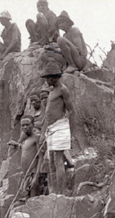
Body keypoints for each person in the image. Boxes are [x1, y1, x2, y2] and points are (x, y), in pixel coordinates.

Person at [41, 63, 76, 195]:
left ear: (54, 77)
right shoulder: (52, 91)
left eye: (48, 78)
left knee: (58, 159)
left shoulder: (63, 90)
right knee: (51, 161)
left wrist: (71, 133)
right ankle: (54, 191)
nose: (47, 81)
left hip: (60, 126)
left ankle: (61, 192)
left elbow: (72, 111)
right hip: (51, 128)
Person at [8, 116, 44, 199]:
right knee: (27, 199)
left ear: (32, 125)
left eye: (27, 125)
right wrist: (16, 144)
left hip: (33, 173)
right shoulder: (25, 139)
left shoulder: (36, 138)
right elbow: (26, 149)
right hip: (26, 174)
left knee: (33, 200)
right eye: (23, 125)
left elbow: (40, 157)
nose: (25, 127)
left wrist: (36, 177)